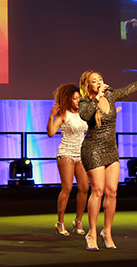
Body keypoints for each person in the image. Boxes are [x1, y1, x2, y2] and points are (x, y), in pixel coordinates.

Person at [78, 70, 137, 250]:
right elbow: (85, 116)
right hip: (93, 148)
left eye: (100, 79)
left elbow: (127, 90)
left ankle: (107, 231)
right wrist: (97, 97)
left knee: (112, 191)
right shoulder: (85, 101)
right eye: (94, 81)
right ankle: (92, 232)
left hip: (111, 149)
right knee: (98, 190)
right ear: (88, 85)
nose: (99, 82)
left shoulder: (111, 95)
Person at [47, 83, 89, 236]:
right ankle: (60, 222)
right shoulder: (64, 114)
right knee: (67, 188)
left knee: (84, 188)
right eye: (75, 98)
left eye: (79, 98)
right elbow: (51, 132)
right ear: (68, 100)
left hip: (81, 153)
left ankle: (78, 221)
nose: (78, 101)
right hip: (66, 153)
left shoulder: (84, 113)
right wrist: (51, 116)